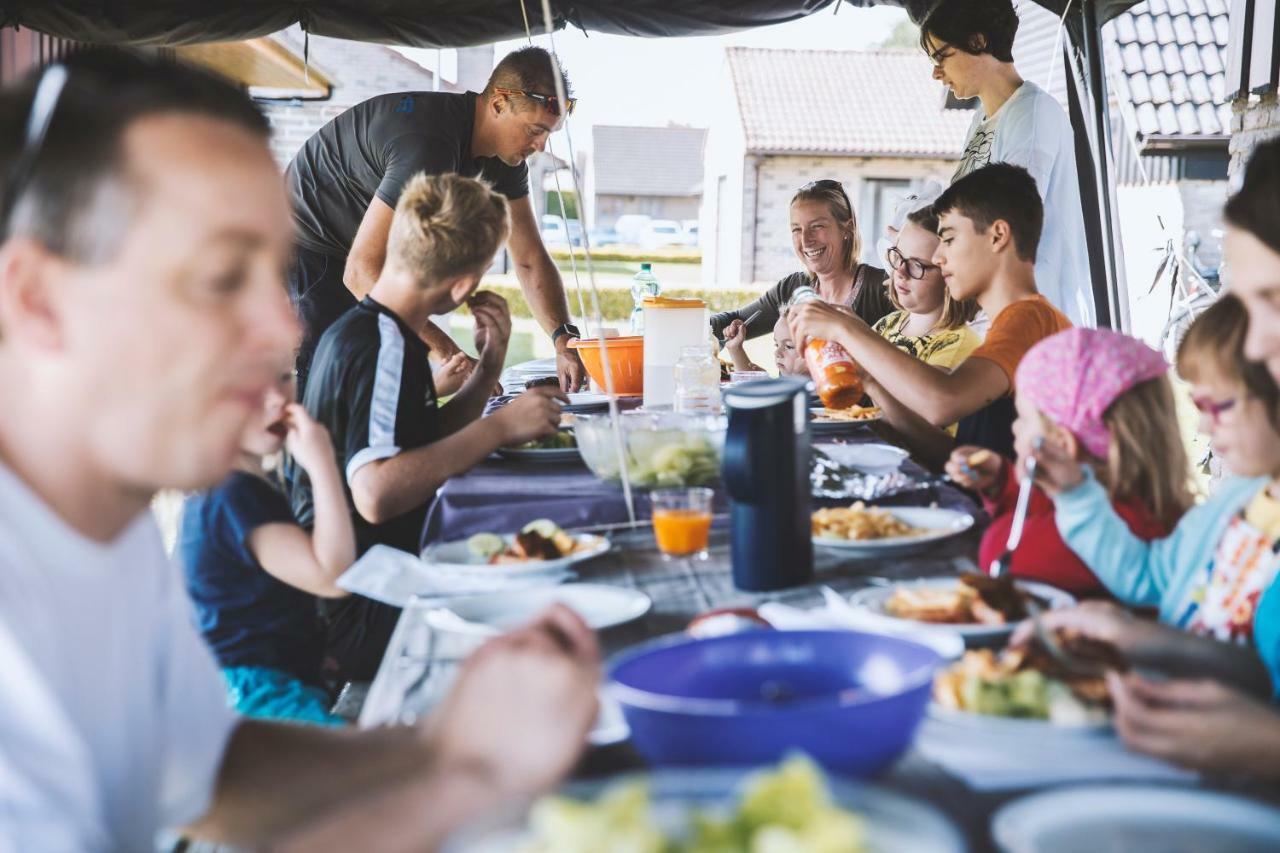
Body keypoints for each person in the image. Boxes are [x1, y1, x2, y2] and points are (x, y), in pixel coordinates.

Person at [0, 51, 597, 850]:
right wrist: (456, 788)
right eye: (220, 277)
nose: (285, 328)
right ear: (39, 299)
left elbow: (207, 770)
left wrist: (444, 750)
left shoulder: (103, 528)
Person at [1020, 138, 1280, 778]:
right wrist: (1134, 634)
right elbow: (1249, 665)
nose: (1256, 342)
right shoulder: (1238, 508)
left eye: (1271, 299)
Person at [292, 172, 566, 683]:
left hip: (357, 588)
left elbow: (415, 443)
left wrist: (488, 370)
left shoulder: (373, 327)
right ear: (463, 286)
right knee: (546, 608)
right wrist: (497, 429)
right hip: (357, 604)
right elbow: (375, 491)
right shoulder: (385, 345)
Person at [286, 46, 586, 393]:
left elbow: (530, 258)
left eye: (549, 133)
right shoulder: (427, 144)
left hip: (359, 249)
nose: (541, 146)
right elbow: (361, 272)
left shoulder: (506, 161)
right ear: (499, 103)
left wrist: (564, 338)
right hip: (309, 239)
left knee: (388, 375)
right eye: (535, 130)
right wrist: (450, 355)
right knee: (335, 380)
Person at [1030, 296, 1280, 688]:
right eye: (1199, 405)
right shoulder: (1233, 505)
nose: (1204, 428)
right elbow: (1145, 576)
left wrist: (1139, 637)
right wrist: (1075, 493)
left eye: (1220, 406)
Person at [789, 163, 1072, 470]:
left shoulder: (1030, 319)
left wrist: (847, 329)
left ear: (997, 236)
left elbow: (942, 401)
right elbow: (949, 452)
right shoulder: (1009, 323)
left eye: (949, 239)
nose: (938, 257)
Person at [946, 329, 1192, 596]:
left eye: (1023, 418)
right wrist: (1003, 484)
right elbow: (1062, 510)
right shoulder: (1147, 507)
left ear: (1061, 445)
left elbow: (998, 551)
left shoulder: (1089, 538)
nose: (1015, 428)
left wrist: (1025, 481)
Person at [179, 372, 353, 726]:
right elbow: (333, 576)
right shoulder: (235, 493)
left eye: (284, 378)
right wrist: (322, 465)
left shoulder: (228, 486)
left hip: (254, 684)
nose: (277, 399)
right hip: (256, 695)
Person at [919, 0, 1094, 327]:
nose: (935, 72)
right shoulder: (983, 118)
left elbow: (1006, 220)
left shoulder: (1031, 114)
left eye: (941, 56)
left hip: (1035, 316)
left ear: (977, 41)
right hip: (996, 311)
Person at [709, 179, 892, 344]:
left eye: (817, 226)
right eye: (797, 229)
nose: (805, 240)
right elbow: (734, 321)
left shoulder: (884, 289)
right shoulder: (791, 288)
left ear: (848, 228)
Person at [873, 204, 980, 374]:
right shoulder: (887, 324)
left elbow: (914, 401)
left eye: (918, 265)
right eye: (899, 256)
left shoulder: (958, 344)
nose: (900, 271)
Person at [722, 311, 808, 377]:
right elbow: (749, 382)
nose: (777, 353)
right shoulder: (788, 377)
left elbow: (778, 397)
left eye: (789, 346)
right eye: (777, 345)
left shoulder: (817, 389)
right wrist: (735, 348)